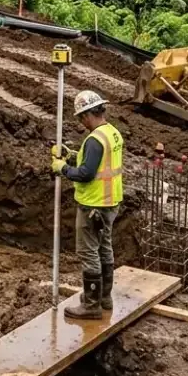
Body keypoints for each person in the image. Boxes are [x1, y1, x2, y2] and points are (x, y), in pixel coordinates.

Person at [51, 90, 124, 320]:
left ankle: (91, 306)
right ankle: (104, 297)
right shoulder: (112, 133)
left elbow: (86, 173)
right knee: (104, 248)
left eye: (81, 118)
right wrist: (73, 155)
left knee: (89, 252)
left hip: (93, 204)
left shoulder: (94, 140)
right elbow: (100, 162)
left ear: (86, 115)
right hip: (110, 202)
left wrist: (62, 168)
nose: (81, 123)